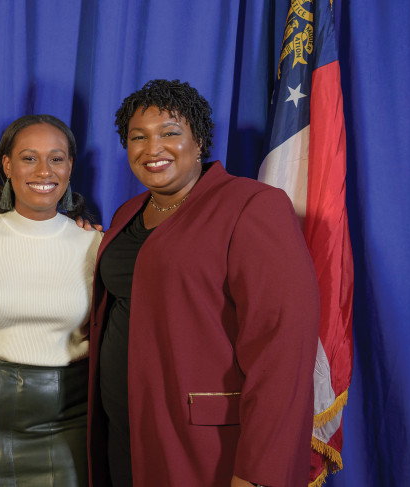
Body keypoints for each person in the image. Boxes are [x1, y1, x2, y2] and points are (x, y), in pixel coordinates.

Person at [86, 79, 320, 486]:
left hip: (202, 449)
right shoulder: (127, 213)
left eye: (170, 133)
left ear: (199, 143)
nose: (152, 148)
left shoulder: (250, 206)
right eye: (137, 137)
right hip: (122, 437)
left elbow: (282, 350)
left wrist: (259, 473)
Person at [0, 115, 103, 486]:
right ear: (7, 166)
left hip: (69, 422)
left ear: (70, 167)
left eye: (57, 158)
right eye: (29, 158)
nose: (44, 170)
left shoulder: (96, 245)